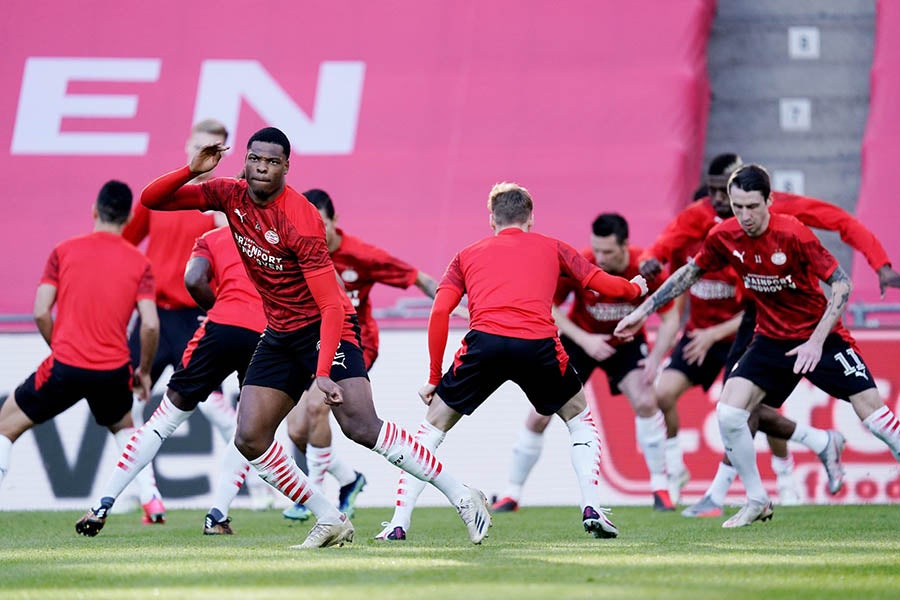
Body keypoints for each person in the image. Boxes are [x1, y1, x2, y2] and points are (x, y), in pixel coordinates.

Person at [77, 127, 492, 548]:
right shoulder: (228, 193)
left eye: (272, 162)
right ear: (246, 160)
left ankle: (462, 496)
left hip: (324, 329)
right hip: (278, 333)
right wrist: (192, 169)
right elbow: (152, 200)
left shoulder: (301, 218)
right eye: (256, 158)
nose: (261, 168)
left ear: (286, 167)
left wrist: (324, 370)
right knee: (250, 436)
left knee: (361, 426)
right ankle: (329, 517)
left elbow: (331, 306)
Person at [616, 164, 900, 528]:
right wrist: (643, 310)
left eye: (753, 206)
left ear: (769, 200)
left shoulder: (794, 234)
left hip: (821, 336)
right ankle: (756, 498)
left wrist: (815, 342)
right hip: (771, 338)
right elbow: (689, 273)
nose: (745, 216)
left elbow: (841, 285)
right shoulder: (723, 235)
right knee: (729, 412)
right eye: (738, 207)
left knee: (875, 419)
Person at [375, 184, 648, 542]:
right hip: (537, 346)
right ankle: (592, 506)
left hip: (484, 345)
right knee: (579, 418)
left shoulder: (466, 254)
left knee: (432, 429)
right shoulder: (554, 247)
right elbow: (600, 283)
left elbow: (440, 310)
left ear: (492, 220)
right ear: (531, 218)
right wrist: (635, 288)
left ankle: (399, 522)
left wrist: (433, 375)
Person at [122, 119, 275, 517]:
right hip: (155, 315)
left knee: (219, 410)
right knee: (124, 404)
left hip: (197, 314)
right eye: (204, 145)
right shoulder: (165, 197)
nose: (209, 153)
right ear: (189, 145)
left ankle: (259, 485)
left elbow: (238, 255)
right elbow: (124, 245)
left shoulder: (220, 203)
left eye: (218, 148)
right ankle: (143, 492)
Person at [282, 188, 466, 522]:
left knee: (315, 407)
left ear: (335, 221)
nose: (314, 230)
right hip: (313, 343)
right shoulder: (296, 250)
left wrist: (460, 307)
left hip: (355, 342)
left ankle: (312, 498)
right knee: (296, 428)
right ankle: (350, 481)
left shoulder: (361, 254)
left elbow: (417, 278)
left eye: (321, 223)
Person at [490, 213, 680, 514]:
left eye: (608, 252)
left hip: (625, 344)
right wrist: (585, 339)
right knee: (540, 414)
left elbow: (670, 317)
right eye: (597, 250)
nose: (600, 258)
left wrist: (656, 360)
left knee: (646, 401)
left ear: (625, 246)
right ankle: (512, 493)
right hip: (580, 341)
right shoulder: (580, 261)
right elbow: (548, 306)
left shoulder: (644, 266)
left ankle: (661, 488)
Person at [0, 181, 162, 519]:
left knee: (5, 427)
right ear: (130, 217)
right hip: (113, 371)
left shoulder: (64, 250)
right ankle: (152, 499)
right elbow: (149, 324)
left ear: (94, 210)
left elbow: (41, 311)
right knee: (124, 428)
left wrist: (62, 348)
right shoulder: (139, 262)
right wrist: (143, 371)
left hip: (66, 365)